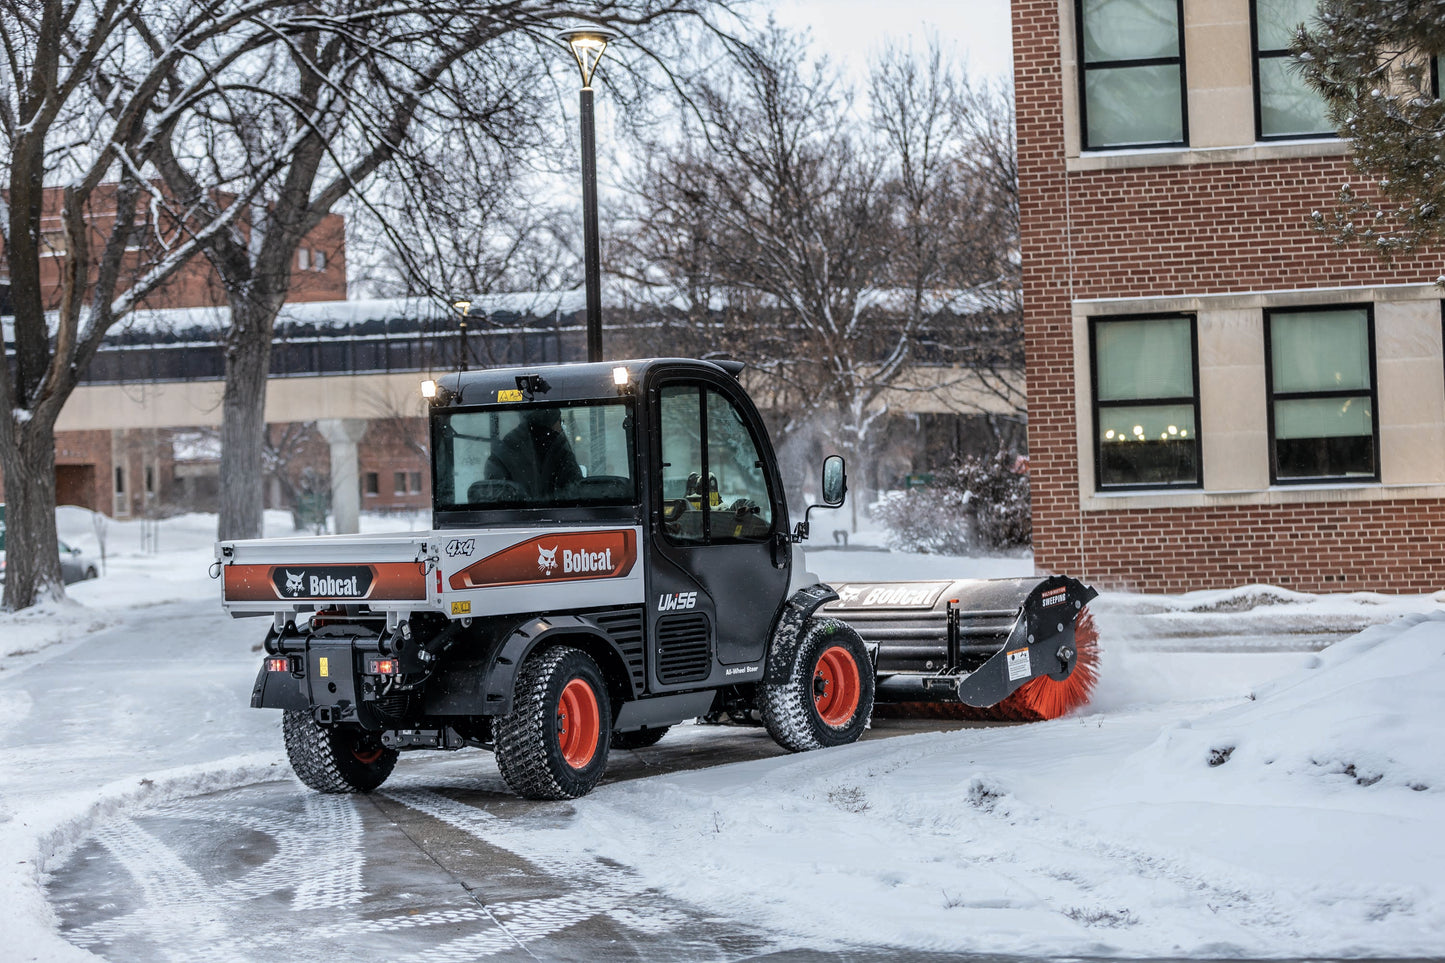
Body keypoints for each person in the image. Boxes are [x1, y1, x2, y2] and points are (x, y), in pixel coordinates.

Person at [484, 408, 583, 499]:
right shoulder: (559, 448)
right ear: (552, 422)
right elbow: (576, 491)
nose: (561, 428)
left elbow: (493, 494)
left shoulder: (505, 448)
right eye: (560, 422)